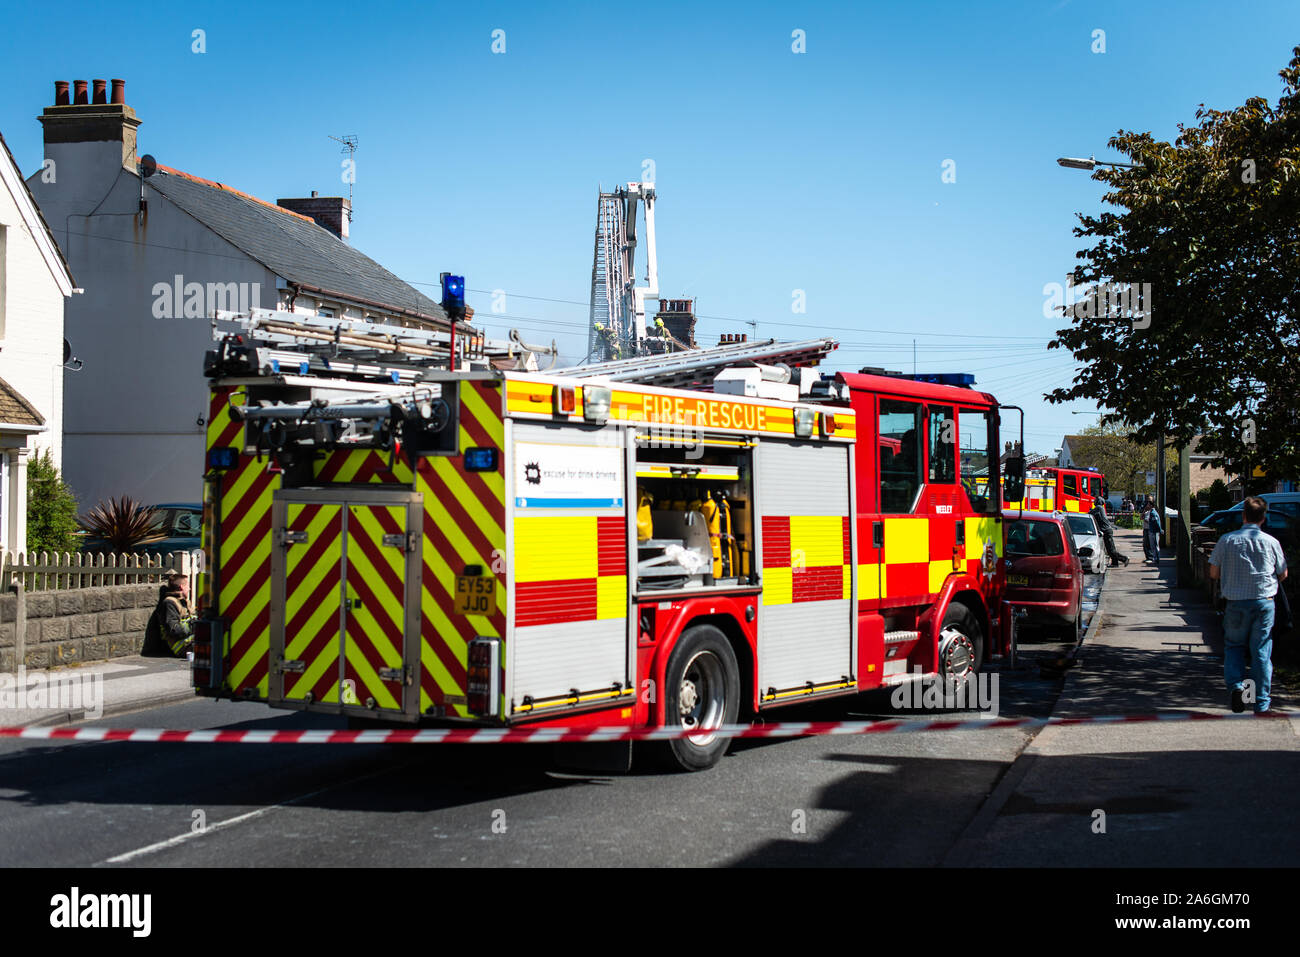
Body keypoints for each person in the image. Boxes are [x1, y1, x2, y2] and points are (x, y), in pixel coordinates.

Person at [1209, 496, 1288, 714]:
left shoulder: (1227, 540)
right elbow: (1283, 573)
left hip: (1235, 602)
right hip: (1264, 602)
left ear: (1243, 516)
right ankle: (1261, 702)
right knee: (1260, 651)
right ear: (1263, 518)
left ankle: (1237, 687)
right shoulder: (1272, 542)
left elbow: (1213, 572)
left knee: (1234, 647)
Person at [143, 569, 195, 658]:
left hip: (190, 642)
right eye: (188, 586)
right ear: (182, 587)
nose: (189, 588)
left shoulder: (185, 602)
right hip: (181, 647)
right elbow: (173, 630)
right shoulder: (169, 603)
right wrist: (192, 626)